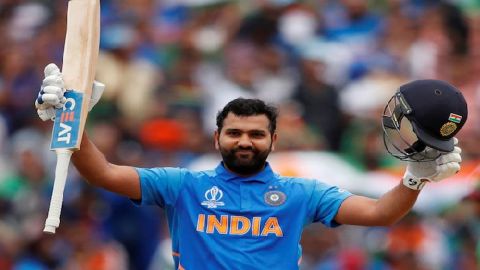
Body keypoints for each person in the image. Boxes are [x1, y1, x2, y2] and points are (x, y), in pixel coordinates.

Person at [35, 63, 466, 270]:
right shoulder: (183, 185)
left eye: (256, 134)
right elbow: (102, 173)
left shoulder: (301, 193)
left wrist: (416, 178)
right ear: (216, 138)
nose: (245, 141)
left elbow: (379, 213)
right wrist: (70, 120)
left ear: (273, 141)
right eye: (235, 133)